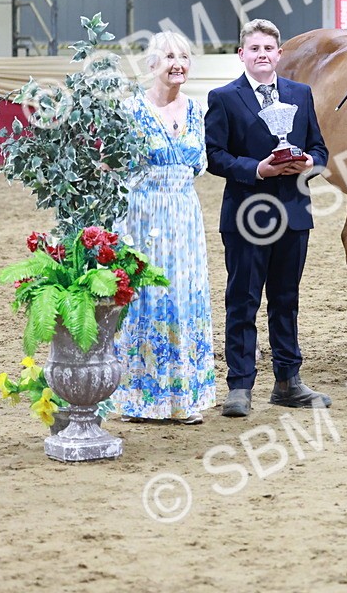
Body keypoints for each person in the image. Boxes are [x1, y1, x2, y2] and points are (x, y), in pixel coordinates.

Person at [204, 18, 331, 418]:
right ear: (242, 54)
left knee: (285, 299)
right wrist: (258, 169)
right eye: (254, 49)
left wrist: (310, 162)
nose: (262, 55)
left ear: (279, 54)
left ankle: (288, 382)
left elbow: (320, 148)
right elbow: (215, 156)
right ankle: (239, 386)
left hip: (293, 214)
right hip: (246, 214)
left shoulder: (302, 94)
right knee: (241, 299)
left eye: (268, 49)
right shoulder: (223, 98)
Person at [112, 30, 215, 423]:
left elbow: (198, 166)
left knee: (184, 299)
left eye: (185, 57)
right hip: (142, 215)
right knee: (143, 300)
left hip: (184, 216)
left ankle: (183, 399)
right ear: (152, 64)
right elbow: (113, 166)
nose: (178, 63)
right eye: (170, 56)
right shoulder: (130, 110)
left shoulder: (196, 110)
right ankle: (137, 400)